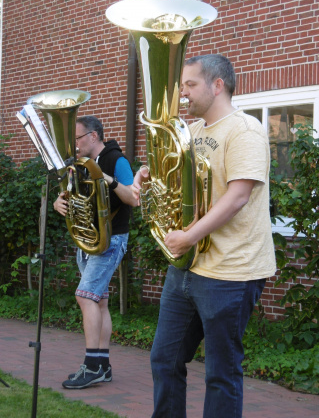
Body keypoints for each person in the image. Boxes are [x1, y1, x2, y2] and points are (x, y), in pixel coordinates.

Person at [132, 54, 276, 418]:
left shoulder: (245, 130)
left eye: (189, 85)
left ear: (217, 85)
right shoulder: (190, 132)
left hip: (231, 271)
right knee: (164, 360)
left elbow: (238, 196)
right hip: (187, 266)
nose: (182, 94)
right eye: (182, 86)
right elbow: (171, 176)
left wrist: (188, 235)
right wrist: (146, 176)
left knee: (221, 374)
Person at [54, 116, 138, 390]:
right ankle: (103, 366)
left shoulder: (117, 160)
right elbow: (70, 194)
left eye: (77, 139)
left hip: (111, 239)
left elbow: (133, 198)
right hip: (89, 240)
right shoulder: (79, 166)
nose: (75, 145)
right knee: (99, 302)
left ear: (93, 136)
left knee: (84, 296)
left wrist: (107, 179)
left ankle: (91, 366)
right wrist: (60, 202)